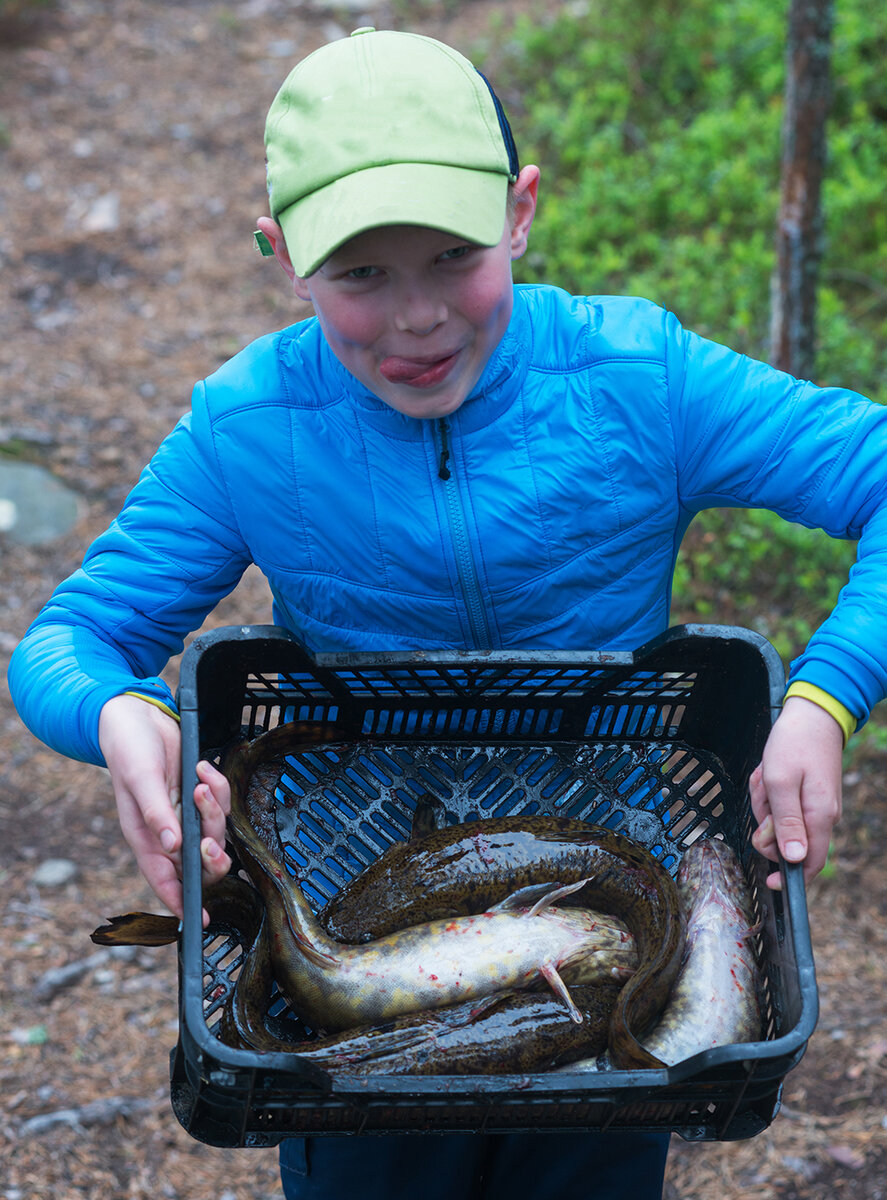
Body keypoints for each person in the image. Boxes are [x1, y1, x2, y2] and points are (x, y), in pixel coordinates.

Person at [8, 26, 887, 1200]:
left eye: (452, 257)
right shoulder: (245, 430)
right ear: (284, 257)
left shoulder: (638, 380)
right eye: (362, 275)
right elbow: (66, 644)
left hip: (610, 899)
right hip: (345, 894)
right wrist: (119, 714)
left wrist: (824, 696)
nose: (417, 317)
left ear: (519, 213)